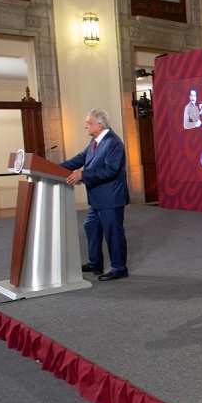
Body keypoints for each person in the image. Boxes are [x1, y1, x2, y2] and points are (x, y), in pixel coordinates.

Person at [60, 109, 130, 281]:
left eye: (88, 123)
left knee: (113, 233)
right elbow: (79, 159)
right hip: (97, 198)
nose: (85, 126)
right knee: (90, 227)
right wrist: (53, 168)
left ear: (99, 125)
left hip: (110, 198)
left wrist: (83, 175)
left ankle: (119, 268)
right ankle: (95, 263)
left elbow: (111, 170)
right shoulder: (95, 141)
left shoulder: (113, 143)